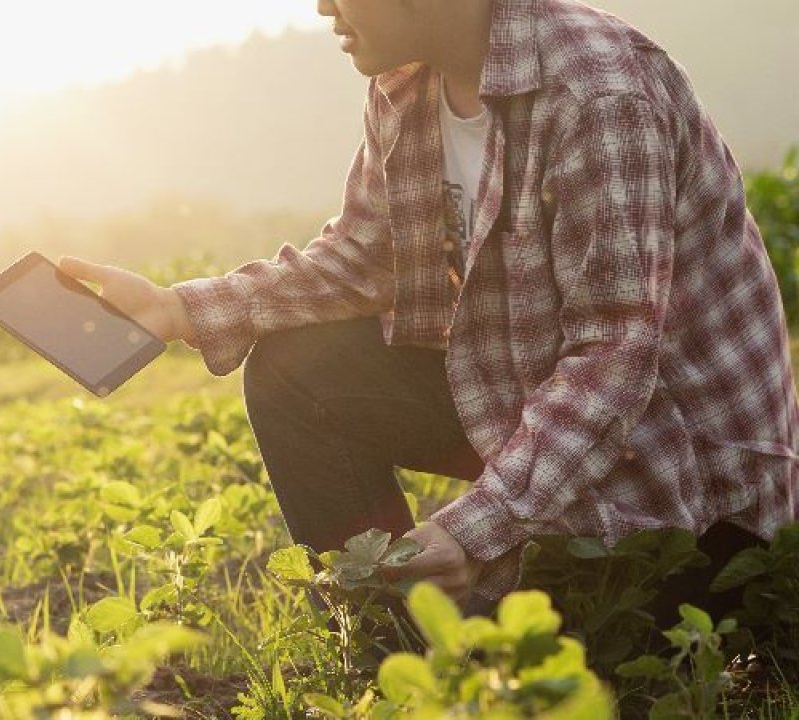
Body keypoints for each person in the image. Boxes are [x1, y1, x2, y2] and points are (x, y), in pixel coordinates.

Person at [59, 0, 799, 623]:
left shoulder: (599, 95)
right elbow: (366, 252)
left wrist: (475, 531)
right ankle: (393, 643)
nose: (322, 8)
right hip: (542, 414)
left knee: (552, 662)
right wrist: (176, 307)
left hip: (682, 487)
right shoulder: (407, 84)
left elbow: (614, 359)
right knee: (297, 369)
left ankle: (465, 612)